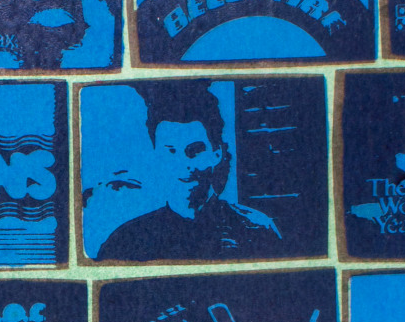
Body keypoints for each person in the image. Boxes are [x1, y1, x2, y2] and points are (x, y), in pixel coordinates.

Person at [93, 83, 282, 261]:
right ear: (157, 157)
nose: (184, 165)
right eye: (170, 151)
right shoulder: (125, 242)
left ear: (217, 153)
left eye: (195, 151)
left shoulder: (256, 228)